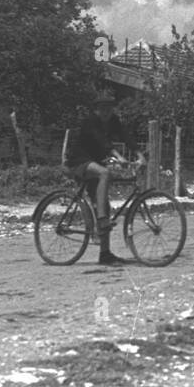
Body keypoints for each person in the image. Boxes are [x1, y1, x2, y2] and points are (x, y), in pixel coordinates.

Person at [64, 92, 132, 266]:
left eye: (109, 109)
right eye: (102, 110)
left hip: (95, 162)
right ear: (96, 110)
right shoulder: (90, 122)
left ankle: (105, 254)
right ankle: (101, 219)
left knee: (105, 205)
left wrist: (140, 155)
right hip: (79, 161)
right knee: (105, 173)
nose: (106, 113)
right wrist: (118, 156)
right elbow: (102, 142)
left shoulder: (113, 121)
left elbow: (125, 136)